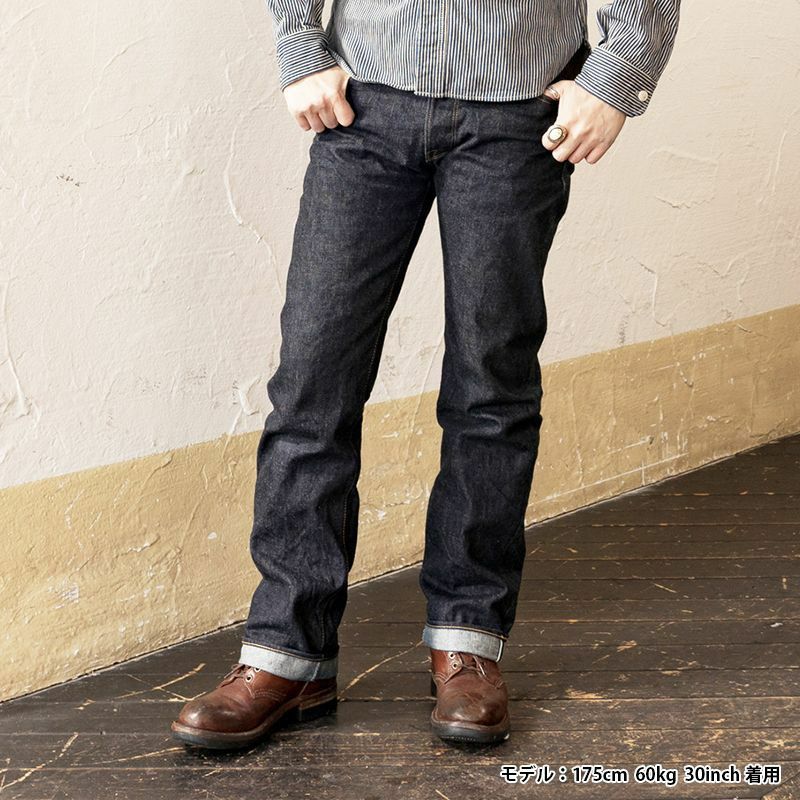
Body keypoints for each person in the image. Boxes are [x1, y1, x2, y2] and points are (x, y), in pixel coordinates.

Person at [171, 0, 681, 749]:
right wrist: (299, 46)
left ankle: (467, 640)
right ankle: (287, 653)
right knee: (313, 384)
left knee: (490, 384)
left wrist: (616, 77)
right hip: (364, 105)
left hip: (518, 112)